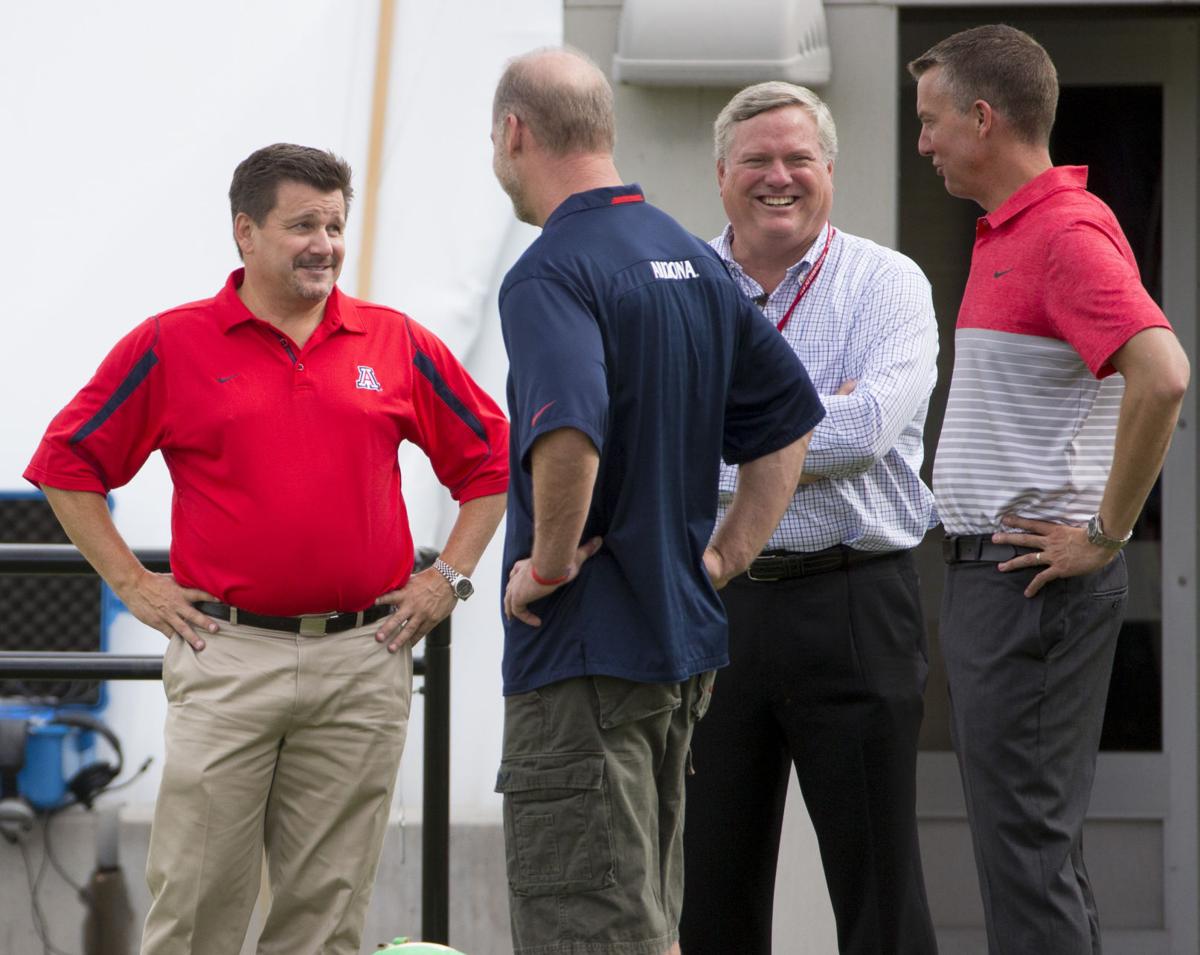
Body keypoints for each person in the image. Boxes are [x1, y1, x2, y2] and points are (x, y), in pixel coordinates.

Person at [24, 143, 510, 955]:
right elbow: (66, 464)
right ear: (245, 232)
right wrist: (133, 584)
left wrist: (447, 579)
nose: (325, 244)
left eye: (335, 226)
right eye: (304, 225)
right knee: (196, 901)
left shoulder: (394, 342)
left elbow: (492, 461)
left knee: (326, 912)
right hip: (227, 653)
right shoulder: (173, 342)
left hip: (364, 658)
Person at [489, 49, 824, 955]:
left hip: (584, 656)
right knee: (648, 920)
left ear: (514, 133)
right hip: (675, 649)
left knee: (591, 928)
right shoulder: (689, 257)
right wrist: (721, 558)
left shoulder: (551, 271)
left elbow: (569, 431)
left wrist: (547, 566)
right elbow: (789, 418)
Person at [909, 25, 1189, 954]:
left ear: (983, 118)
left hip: (1029, 585)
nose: (924, 142)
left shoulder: (1063, 233)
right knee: (1030, 856)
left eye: (932, 120)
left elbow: (1163, 374)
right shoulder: (1014, 231)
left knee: (1027, 859)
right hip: (999, 582)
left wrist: (1106, 534)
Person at [679, 82, 940, 955]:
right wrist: (804, 416)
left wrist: (712, 422)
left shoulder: (886, 282)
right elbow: (647, 433)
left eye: (798, 158)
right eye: (756, 159)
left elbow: (863, 434)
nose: (778, 176)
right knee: (708, 886)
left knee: (879, 892)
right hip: (715, 600)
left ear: (829, 168)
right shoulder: (678, 284)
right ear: (721, 173)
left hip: (853, 599)